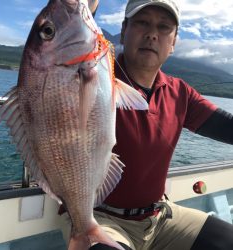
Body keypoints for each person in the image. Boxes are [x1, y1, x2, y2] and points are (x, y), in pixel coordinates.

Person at [88, 0, 233, 249]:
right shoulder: (93, 74)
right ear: (124, 30)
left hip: (160, 216)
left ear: (174, 42)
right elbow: (72, 31)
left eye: (164, 27)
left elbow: (226, 126)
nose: (152, 34)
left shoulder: (180, 93)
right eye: (142, 22)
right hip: (100, 218)